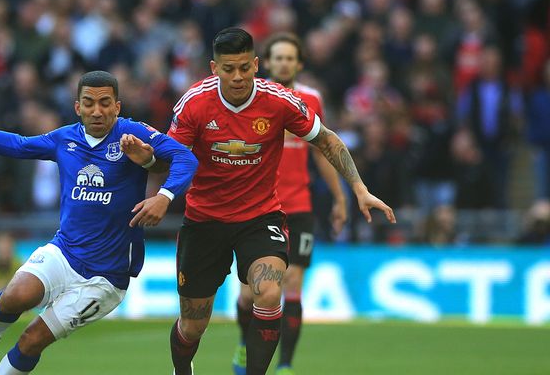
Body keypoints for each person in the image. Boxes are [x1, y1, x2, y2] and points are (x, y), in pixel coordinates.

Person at [134, 27, 394, 375]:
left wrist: (359, 189)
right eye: (229, 69)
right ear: (215, 68)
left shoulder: (280, 101)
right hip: (204, 220)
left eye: (244, 67)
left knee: (269, 292)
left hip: (260, 218)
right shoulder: (195, 103)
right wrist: (148, 162)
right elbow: (172, 158)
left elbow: (327, 141)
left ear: (256, 64)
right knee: (193, 325)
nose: (238, 76)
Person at [0, 70, 198, 375]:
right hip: (65, 252)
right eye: (89, 103)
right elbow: (18, 145)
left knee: (31, 339)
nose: (96, 111)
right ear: (77, 107)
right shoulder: (65, 139)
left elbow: (186, 158)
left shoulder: (133, 134)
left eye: (104, 103)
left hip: (104, 278)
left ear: (117, 107)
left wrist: (164, 196)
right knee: (14, 296)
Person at [231, 32, 347, 375]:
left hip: (298, 206)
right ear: (266, 63)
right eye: (277, 57)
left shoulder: (311, 99)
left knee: (292, 284)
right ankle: (244, 342)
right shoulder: (250, 97)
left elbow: (323, 150)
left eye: (289, 58)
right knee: (249, 294)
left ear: (299, 64)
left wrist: (340, 197)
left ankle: (285, 366)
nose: (282, 63)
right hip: (257, 207)